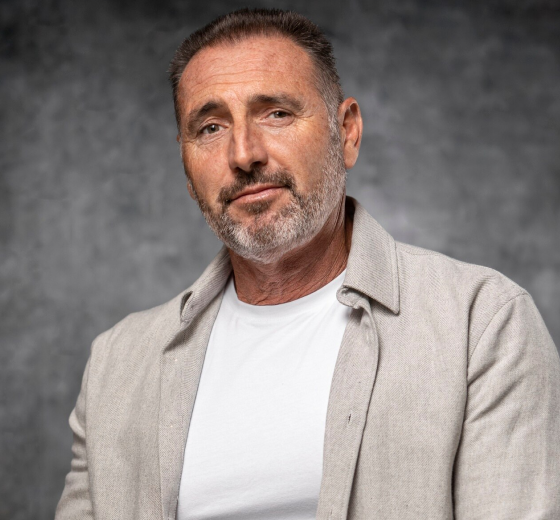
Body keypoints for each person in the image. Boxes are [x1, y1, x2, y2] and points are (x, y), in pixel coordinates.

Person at [55, 8, 560, 520]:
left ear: (347, 133)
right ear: (187, 171)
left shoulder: (481, 325)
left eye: (276, 113)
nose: (244, 154)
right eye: (210, 127)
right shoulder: (117, 366)